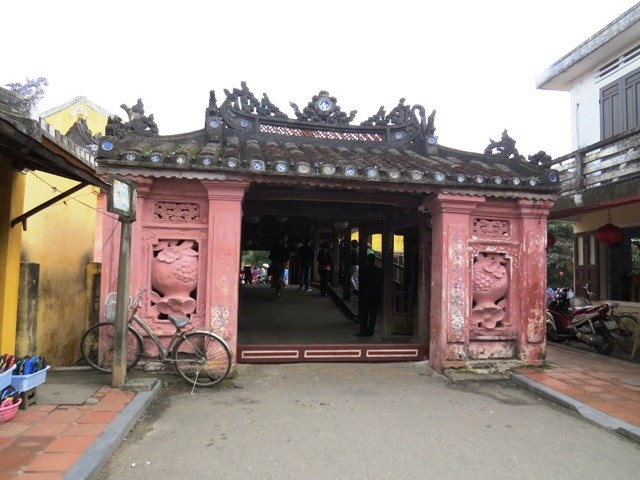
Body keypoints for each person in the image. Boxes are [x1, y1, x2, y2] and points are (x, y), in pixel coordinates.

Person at [355, 253, 383, 336]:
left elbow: (361, 281)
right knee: (373, 315)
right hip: (375, 295)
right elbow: (381, 283)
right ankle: (371, 331)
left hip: (365, 295)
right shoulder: (379, 270)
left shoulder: (364, 269)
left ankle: (363, 331)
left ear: (367, 260)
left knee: (364, 314)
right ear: (374, 261)